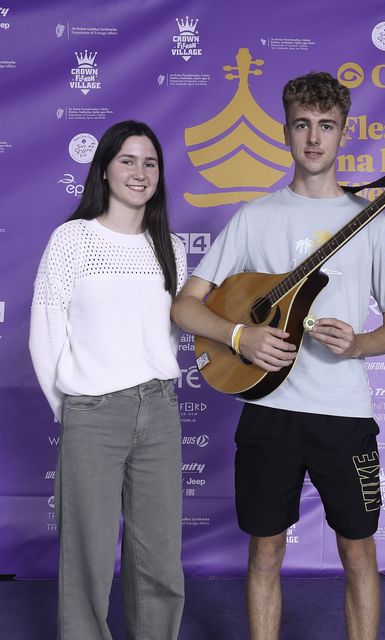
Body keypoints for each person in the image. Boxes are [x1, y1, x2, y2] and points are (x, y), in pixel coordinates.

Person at [171, 71, 385, 639]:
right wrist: (238, 338)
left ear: (343, 133)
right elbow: (185, 308)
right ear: (285, 131)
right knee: (265, 553)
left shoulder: (370, 219)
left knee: (358, 555)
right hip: (269, 415)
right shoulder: (255, 217)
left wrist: (358, 343)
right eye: (303, 124)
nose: (314, 138)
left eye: (327, 126)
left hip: (344, 414)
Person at [29, 121, 187, 640]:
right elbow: (46, 335)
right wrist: (73, 410)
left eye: (150, 163)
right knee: (88, 558)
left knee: (160, 559)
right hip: (93, 414)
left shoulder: (172, 249)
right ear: (104, 168)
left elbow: (166, 335)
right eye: (127, 160)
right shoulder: (73, 240)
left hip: (159, 411)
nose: (139, 173)